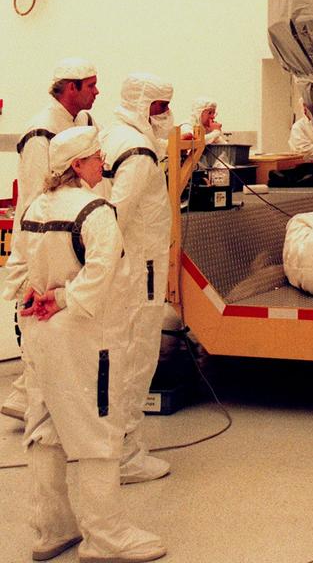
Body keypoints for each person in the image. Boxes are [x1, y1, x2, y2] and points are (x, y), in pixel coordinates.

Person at [2, 126, 166, 563]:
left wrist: (35, 294)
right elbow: (100, 274)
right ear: (77, 165)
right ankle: (105, 537)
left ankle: (51, 529)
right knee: (98, 432)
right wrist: (60, 299)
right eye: (96, 157)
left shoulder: (35, 207)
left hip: (39, 334)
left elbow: (16, 268)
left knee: (44, 428)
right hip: (86, 336)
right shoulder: (96, 211)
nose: (103, 164)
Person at [2, 58, 99, 424]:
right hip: (44, 242)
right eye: (91, 85)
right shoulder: (40, 132)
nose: (97, 91)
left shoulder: (83, 123)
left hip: (73, 237)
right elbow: (34, 198)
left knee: (64, 327)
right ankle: (34, 406)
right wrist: (34, 260)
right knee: (39, 324)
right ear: (71, 87)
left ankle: (35, 400)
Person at [100, 72, 174, 485]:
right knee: (137, 355)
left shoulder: (113, 136)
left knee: (121, 353)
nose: (166, 114)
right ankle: (125, 455)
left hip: (125, 266)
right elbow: (117, 214)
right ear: (144, 104)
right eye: (161, 107)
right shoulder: (139, 151)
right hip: (139, 266)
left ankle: (112, 448)